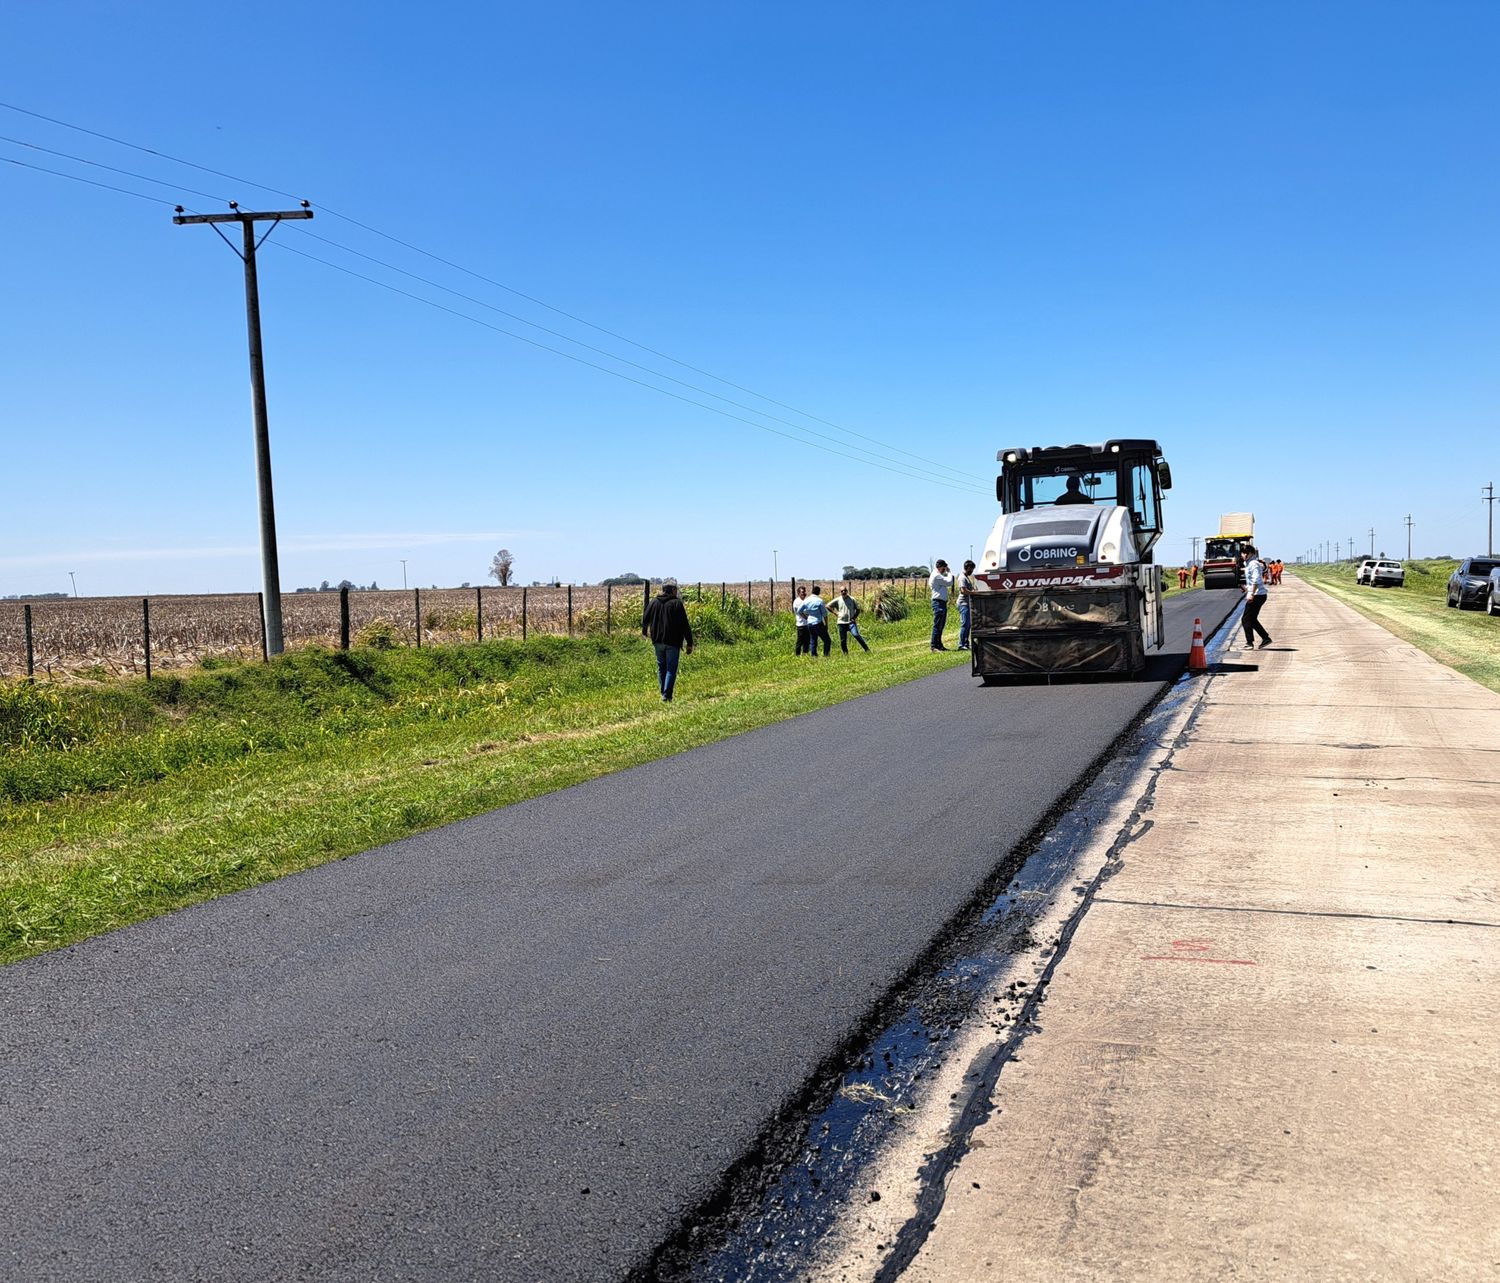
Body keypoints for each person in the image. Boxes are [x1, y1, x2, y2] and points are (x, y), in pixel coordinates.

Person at [642, 581, 694, 700]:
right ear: (673, 591)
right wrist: (689, 643)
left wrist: (644, 632)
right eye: (676, 590)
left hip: (657, 641)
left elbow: (645, 619)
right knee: (671, 668)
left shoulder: (654, 602)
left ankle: (663, 693)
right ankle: (667, 695)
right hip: (673, 641)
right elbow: (684, 624)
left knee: (661, 667)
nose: (677, 593)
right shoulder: (677, 603)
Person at [1240, 546, 1272, 649]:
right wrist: (1247, 589)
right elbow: (1252, 580)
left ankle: (1249, 643)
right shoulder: (1249, 563)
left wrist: (1251, 594)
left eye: (1243, 553)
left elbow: (1256, 580)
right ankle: (1265, 638)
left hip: (1257, 595)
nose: (1242, 555)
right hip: (1257, 594)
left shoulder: (1253, 564)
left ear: (1249, 553)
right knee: (1252, 619)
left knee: (1246, 619)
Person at [831, 584, 870, 653]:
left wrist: (854, 617)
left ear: (847, 591)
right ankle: (845, 654)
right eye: (842, 591)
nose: (843, 592)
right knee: (843, 640)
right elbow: (828, 606)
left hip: (851, 623)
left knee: (856, 635)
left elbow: (858, 609)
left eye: (845, 590)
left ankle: (867, 649)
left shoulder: (852, 599)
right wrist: (835, 613)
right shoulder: (838, 599)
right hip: (841, 623)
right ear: (840, 592)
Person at [929, 560, 955, 650]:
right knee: (938, 625)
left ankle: (939, 645)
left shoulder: (937, 575)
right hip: (938, 602)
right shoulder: (936, 576)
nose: (945, 570)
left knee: (941, 625)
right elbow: (949, 582)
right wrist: (949, 572)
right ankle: (934, 645)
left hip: (941, 602)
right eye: (944, 568)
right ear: (941, 567)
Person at [803, 585, 832, 656]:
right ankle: (826, 655)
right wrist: (826, 625)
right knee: (827, 640)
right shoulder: (819, 601)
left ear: (812, 591)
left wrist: (806, 617)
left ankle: (814, 655)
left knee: (813, 640)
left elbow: (799, 610)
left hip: (809, 623)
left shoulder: (806, 600)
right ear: (819, 592)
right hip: (818, 623)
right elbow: (825, 614)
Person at [956, 560, 977, 650]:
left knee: (968, 624)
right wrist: (973, 593)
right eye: (971, 569)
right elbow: (963, 590)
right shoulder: (962, 578)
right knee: (964, 624)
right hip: (963, 604)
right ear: (968, 568)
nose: (972, 571)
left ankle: (966, 643)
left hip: (967, 603)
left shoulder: (966, 577)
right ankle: (961, 644)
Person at [792, 584, 811, 657]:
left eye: (804, 591)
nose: (804, 593)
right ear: (798, 593)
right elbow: (800, 613)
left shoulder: (806, 600)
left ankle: (805, 653)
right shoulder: (797, 602)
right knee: (800, 640)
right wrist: (808, 618)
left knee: (807, 640)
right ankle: (797, 654)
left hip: (807, 624)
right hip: (801, 624)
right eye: (802, 592)